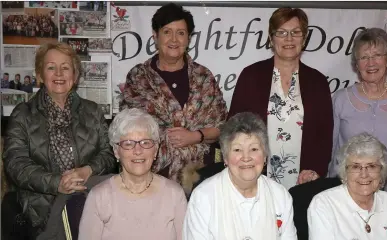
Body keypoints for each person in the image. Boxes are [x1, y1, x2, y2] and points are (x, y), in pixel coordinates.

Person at [2, 42, 116, 238]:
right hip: (41, 211)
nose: (59, 74)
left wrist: (87, 170)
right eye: (51, 67)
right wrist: (57, 183)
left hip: (90, 206)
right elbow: (15, 164)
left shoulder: (93, 111)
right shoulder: (23, 114)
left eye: (65, 67)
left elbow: (109, 154)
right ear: (39, 75)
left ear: (75, 75)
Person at [119, 3, 227, 184]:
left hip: (201, 177)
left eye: (181, 33)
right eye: (167, 32)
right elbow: (126, 127)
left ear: (189, 38)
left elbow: (222, 126)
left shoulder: (203, 77)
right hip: (152, 175)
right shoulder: (139, 77)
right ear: (155, 35)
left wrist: (194, 136)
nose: (174, 39)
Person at [228, 7, 333, 190]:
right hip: (256, 179)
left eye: (296, 32)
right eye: (281, 32)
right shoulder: (250, 76)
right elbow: (233, 128)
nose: (289, 39)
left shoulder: (318, 82)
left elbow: (324, 135)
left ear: (304, 38)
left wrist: (315, 170)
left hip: (303, 183)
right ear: (271, 38)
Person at [328, 28, 387, 208]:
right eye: (364, 57)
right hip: (344, 196)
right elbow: (330, 151)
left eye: (377, 55)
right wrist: (328, 193)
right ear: (356, 65)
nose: (371, 63)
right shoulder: (340, 100)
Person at [183, 112, 297, 240]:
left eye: (254, 149)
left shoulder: (280, 195)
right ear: (225, 157)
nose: (246, 157)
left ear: (265, 155)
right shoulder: (203, 197)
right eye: (237, 150)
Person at [79, 108, 187, 240]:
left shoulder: (174, 194)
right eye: (128, 144)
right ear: (116, 151)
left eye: (145, 143)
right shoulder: (99, 197)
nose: (138, 151)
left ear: (156, 150)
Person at [308, 133, 387, 239]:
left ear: (381, 171)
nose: (364, 174)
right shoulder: (324, 204)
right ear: (345, 171)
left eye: (371, 166)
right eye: (355, 167)